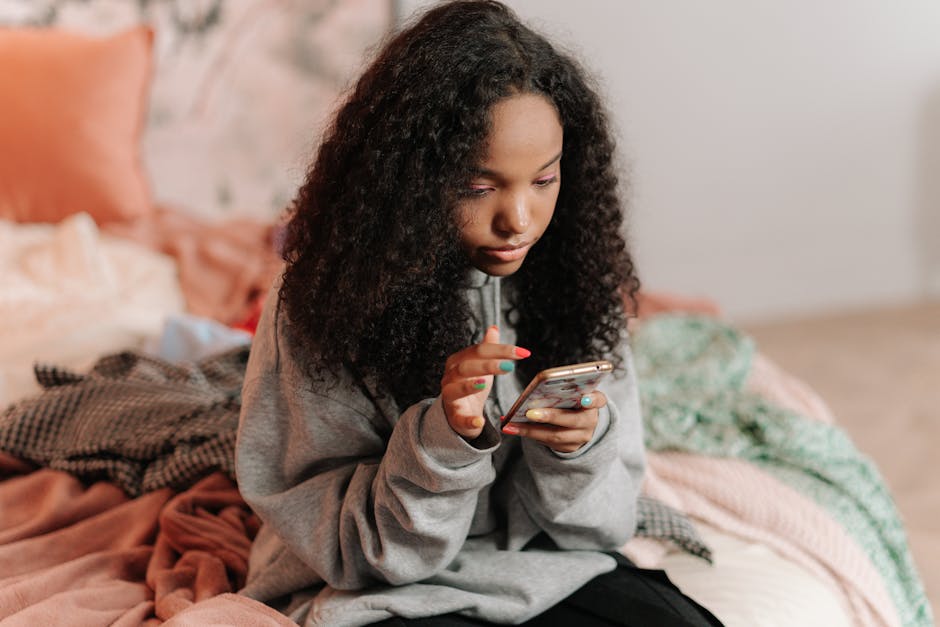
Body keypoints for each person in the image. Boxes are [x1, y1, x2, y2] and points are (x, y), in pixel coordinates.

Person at [235, 1, 723, 625]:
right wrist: (444, 443)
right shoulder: (318, 302)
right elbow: (354, 554)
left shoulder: (577, 274)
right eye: (478, 187)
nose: (518, 220)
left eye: (543, 180)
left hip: (549, 569)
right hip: (383, 590)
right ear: (406, 179)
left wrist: (578, 452)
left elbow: (602, 526)